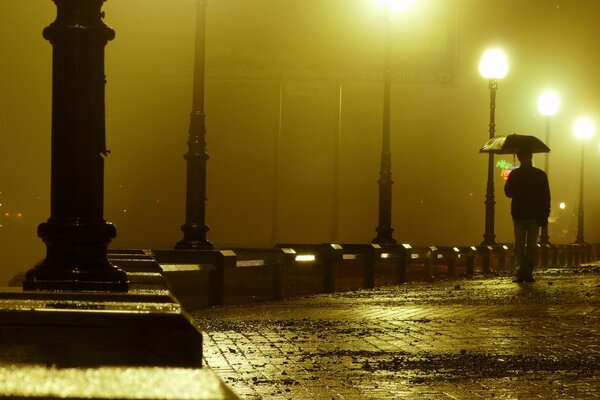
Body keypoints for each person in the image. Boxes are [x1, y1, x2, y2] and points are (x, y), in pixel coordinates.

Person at [504, 149, 551, 283]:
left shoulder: (515, 174)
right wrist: (545, 214)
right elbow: (546, 196)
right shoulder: (540, 174)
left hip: (520, 214)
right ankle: (527, 272)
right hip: (533, 215)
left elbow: (508, 193)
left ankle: (522, 271)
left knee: (519, 245)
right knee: (531, 245)